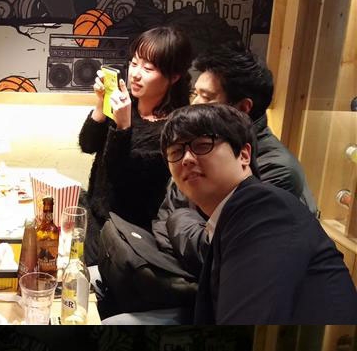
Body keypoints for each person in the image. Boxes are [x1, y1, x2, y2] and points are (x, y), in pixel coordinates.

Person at [159, 103, 357, 324]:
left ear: (244, 155)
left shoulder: (264, 209)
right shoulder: (236, 211)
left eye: (202, 145)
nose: (186, 159)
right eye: (176, 152)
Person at [152, 41, 317, 278]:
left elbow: (218, 253)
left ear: (242, 108)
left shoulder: (276, 168)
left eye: (206, 97)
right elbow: (162, 220)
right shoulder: (194, 147)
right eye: (194, 94)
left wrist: (178, 218)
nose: (194, 105)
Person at [78, 26, 192, 265]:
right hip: (95, 221)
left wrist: (123, 127)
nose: (136, 74)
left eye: (148, 68)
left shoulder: (175, 129)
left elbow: (122, 180)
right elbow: (87, 144)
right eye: (134, 63)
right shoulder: (125, 103)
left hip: (127, 237)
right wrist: (101, 105)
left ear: (174, 76)